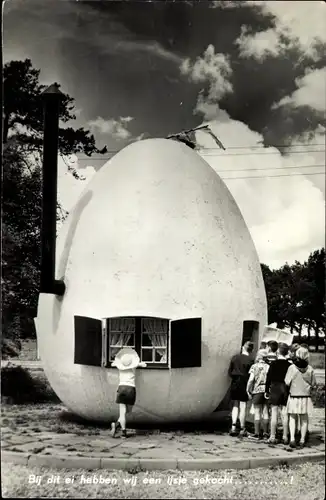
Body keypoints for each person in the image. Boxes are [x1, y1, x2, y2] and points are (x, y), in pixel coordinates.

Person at [284, 346, 317, 448]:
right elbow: (314, 384)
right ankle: (302, 440)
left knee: (292, 418)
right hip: (305, 397)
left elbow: (287, 382)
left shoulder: (292, 367)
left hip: (294, 396)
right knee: (304, 419)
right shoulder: (310, 368)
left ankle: (293, 438)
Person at [110, 348, 146, 438]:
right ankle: (123, 432)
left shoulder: (119, 367)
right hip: (131, 389)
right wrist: (141, 364)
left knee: (123, 412)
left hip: (121, 388)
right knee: (127, 411)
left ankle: (117, 425)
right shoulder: (133, 368)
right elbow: (143, 365)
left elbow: (113, 363)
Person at [265, 342, 291, 444]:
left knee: (274, 413)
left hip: (275, 388)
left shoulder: (273, 364)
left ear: (278, 352)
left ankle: (272, 436)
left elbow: (268, 378)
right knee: (284, 413)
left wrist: (267, 390)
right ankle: (285, 436)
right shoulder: (289, 365)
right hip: (285, 388)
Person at [228, 341, 254, 437]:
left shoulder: (235, 358)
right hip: (245, 382)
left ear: (243, 347)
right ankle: (243, 428)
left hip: (235, 381)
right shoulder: (251, 360)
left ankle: (233, 426)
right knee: (243, 406)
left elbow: (230, 372)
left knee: (235, 404)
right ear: (251, 350)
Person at [247, 349, 271, 440]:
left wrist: (248, 389)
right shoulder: (268, 366)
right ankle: (265, 433)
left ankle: (257, 433)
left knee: (257, 412)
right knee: (265, 412)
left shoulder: (254, 366)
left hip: (257, 391)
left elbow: (250, 380)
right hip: (266, 391)